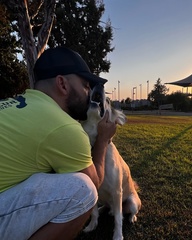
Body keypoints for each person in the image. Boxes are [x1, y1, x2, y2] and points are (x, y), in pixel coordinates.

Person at [0, 47, 117, 240]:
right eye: (85, 86)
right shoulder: (64, 127)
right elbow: (95, 184)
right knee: (83, 191)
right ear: (62, 84)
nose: (89, 94)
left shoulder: (15, 104)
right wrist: (103, 140)